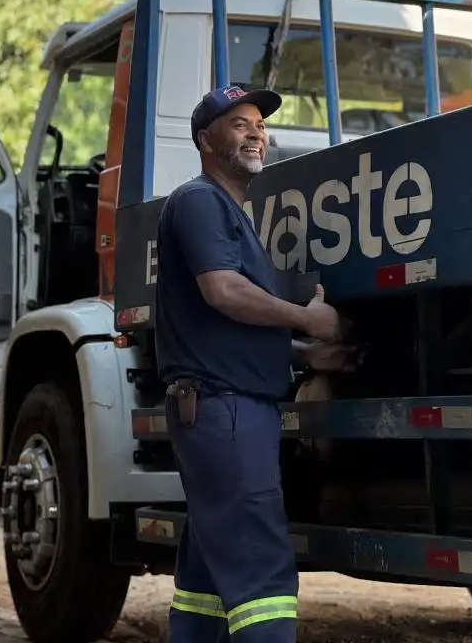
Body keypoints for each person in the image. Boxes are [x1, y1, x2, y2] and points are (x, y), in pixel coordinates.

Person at [155, 84, 353, 643]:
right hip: (227, 411)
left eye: (260, 126)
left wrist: (305, 354)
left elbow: (223, 330)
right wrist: (306, 319)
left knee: (206, 574)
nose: (255, 134)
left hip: (224, 408)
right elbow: (223, 292)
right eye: (239, 124)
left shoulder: (230, 212)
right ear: (205, 139)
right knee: (261, 571)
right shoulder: (199, 201)